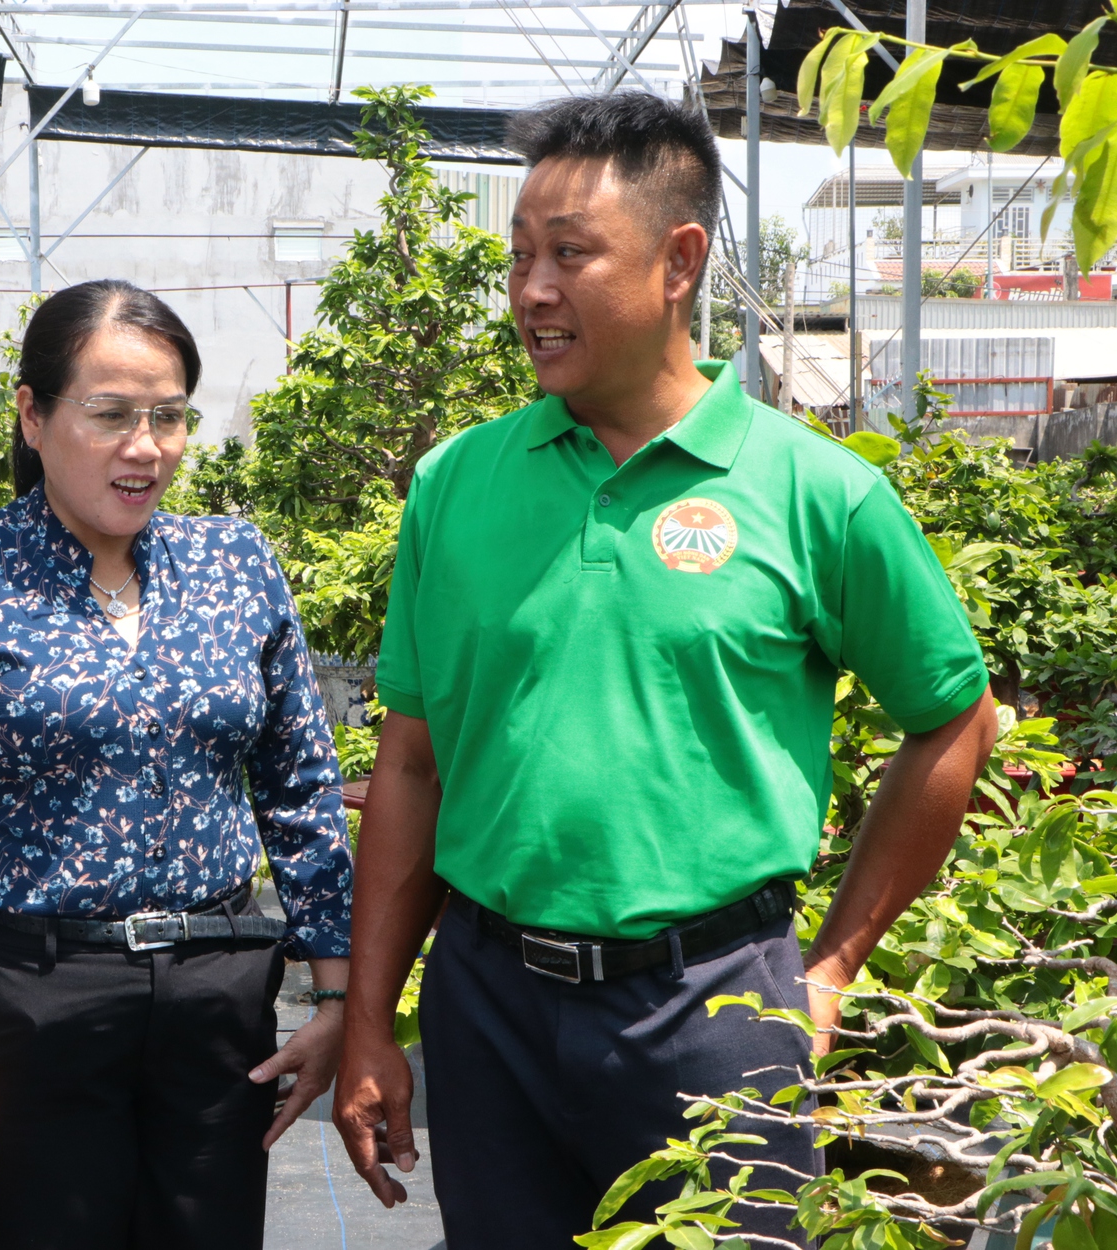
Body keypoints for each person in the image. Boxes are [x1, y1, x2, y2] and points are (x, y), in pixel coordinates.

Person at [331, 92, 999, 1247]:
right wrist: (368, 1018)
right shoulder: (455, 485)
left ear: (678, 259)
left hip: (711, 1007)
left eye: (569, 255)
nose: (531, 291)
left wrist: (831, 967)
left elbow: (952, 718)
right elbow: (413, 761)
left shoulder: (813, 491)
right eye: (520, 255)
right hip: (488, 1003)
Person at [0, 279, 353, 1247]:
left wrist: (338, 992)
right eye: (107, 415)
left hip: (214, 985)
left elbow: (299, 785)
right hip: (33, 993)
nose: (143, 447)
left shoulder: (233, 562)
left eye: (167, 417)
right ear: (32, 412)